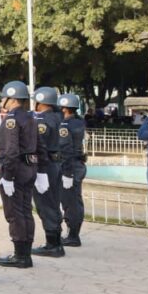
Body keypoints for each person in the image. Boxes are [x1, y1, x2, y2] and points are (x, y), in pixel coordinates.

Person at [0, 81, 39, 269]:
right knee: (25, 210)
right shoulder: (30, 117)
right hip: (29, 168)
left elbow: (11, 151)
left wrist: (8, 176)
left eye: (4, 97)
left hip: (16, 169)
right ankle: (26, 252)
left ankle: (20, 255)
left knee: (14, 213)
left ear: (12, 99)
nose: (3, 100)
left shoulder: (11, 119)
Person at [32, 87, 66, 258]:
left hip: (45, 166)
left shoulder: (43, 121)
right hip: (55, 163)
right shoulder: (58, 117)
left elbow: (39, 145)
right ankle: (56, 241)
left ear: (41, 101)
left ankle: (52, 244)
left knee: (46, 204)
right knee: (53, 202)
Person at [60, 94, 88, 246]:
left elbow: (66, 150)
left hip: (70, 166)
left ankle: (73, 236)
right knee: (76, 200)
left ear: (64, 108)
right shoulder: (79, 122)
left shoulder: (65, 126)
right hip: (79, 164)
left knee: (70, 202)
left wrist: (67, 173)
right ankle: (74, 233)